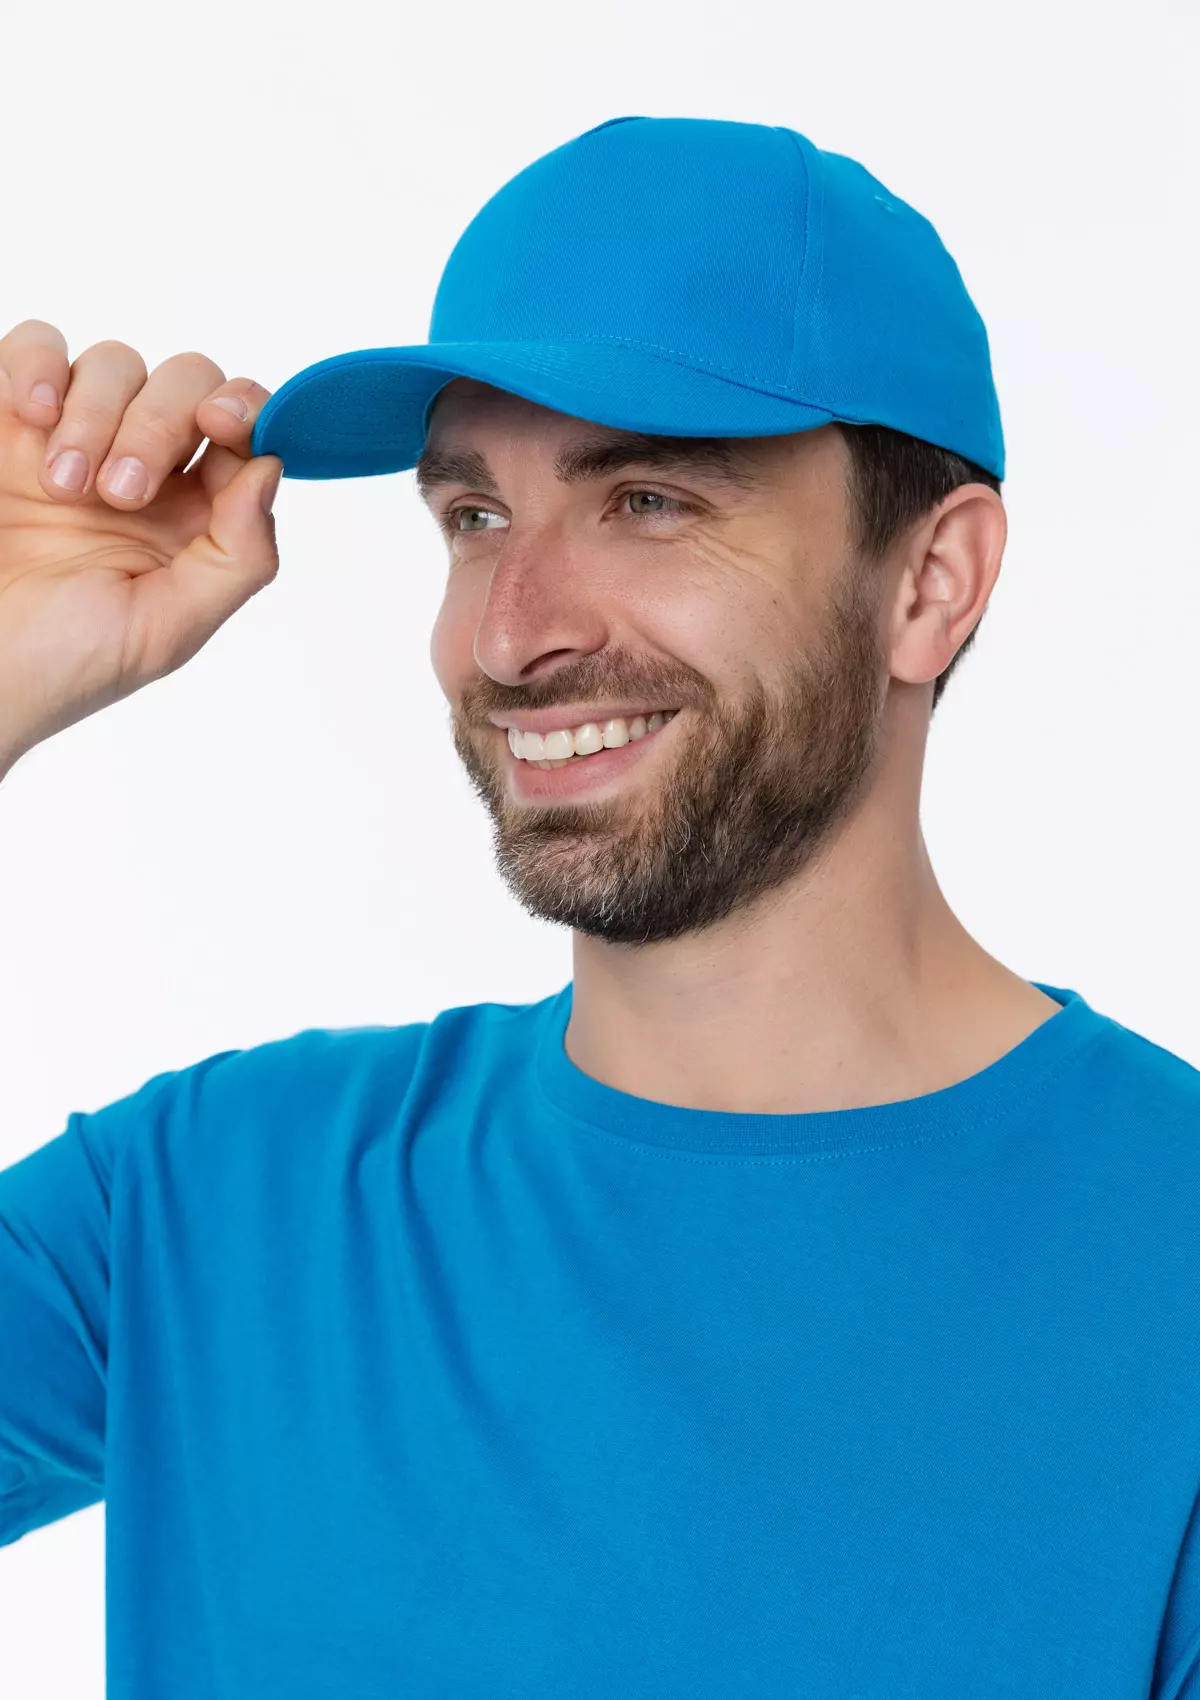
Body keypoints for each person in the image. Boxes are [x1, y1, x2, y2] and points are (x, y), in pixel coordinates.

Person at [1, 114, 1198, 1700]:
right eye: (474, 518)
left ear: (929, 582)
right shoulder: (206, 1207)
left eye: (647, 500)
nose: (513, 635)